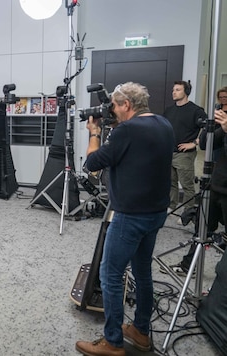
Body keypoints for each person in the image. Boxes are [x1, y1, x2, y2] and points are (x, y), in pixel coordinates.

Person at [76, 82, 174, 355]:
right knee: (143, 273)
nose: (114, 112)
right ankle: (141, 331)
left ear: (126, 105)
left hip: (130, 216)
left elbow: (92, 164)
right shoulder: (164, 124)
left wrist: (95, 133)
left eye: (116, 107)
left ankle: (113, 342)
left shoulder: (127, 130)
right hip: (156, 213)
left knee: (110, 275)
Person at [164, 105, 227, 277]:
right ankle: (188, 265)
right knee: (202, 228)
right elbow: (206, 143)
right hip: (217, 185)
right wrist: (215, 126)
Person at [163, 81, 207, 213]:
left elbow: (209, 128)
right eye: (173, 90)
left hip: (184, 154)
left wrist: (194, 143)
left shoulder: (196, 110)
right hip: (168, 151)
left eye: (177, 90)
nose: (174, 92)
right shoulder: (169, 110)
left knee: (187, 184)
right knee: (171, 182)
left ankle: (189, 211)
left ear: (186, 92)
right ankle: (172, 206)